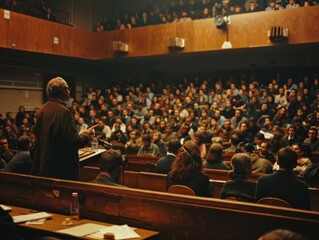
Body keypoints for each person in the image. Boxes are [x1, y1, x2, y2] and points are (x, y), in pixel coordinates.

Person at [31, 77, 96, 180]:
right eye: (67, 88)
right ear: (61, 90)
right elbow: (74, 141)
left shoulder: (42, 109)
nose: (69, 91)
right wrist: (86, 134)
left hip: (45, 164)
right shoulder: (64, 111)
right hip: (61, 167)